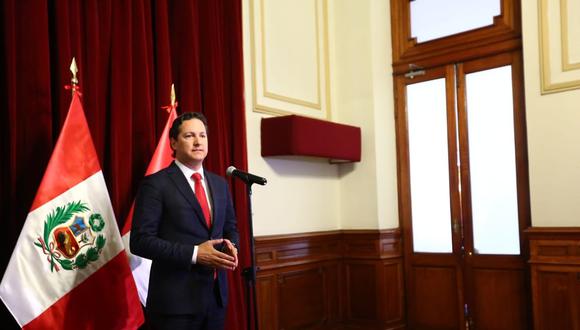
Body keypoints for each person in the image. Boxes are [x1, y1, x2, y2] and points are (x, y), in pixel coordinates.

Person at [130, 112, 239, 330]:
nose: (198, 141)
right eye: (189, 136)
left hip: (215, 300)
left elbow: (230, 228)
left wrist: (231, 246)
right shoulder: (156, 184)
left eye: (203, 135)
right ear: (173, 142)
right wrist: (196, 254)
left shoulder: (219, 184)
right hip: (174, 305)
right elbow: (140, 241)